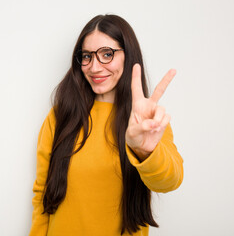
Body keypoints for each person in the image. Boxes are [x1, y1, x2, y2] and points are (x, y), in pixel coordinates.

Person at [29, 14, 183, 236]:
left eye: (107, 54)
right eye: (87, 56)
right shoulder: (60, 117)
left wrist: (143, 150)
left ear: (127, 56)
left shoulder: (148, 123)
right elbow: (42, 195)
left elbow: (170, 181)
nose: (94, 67)